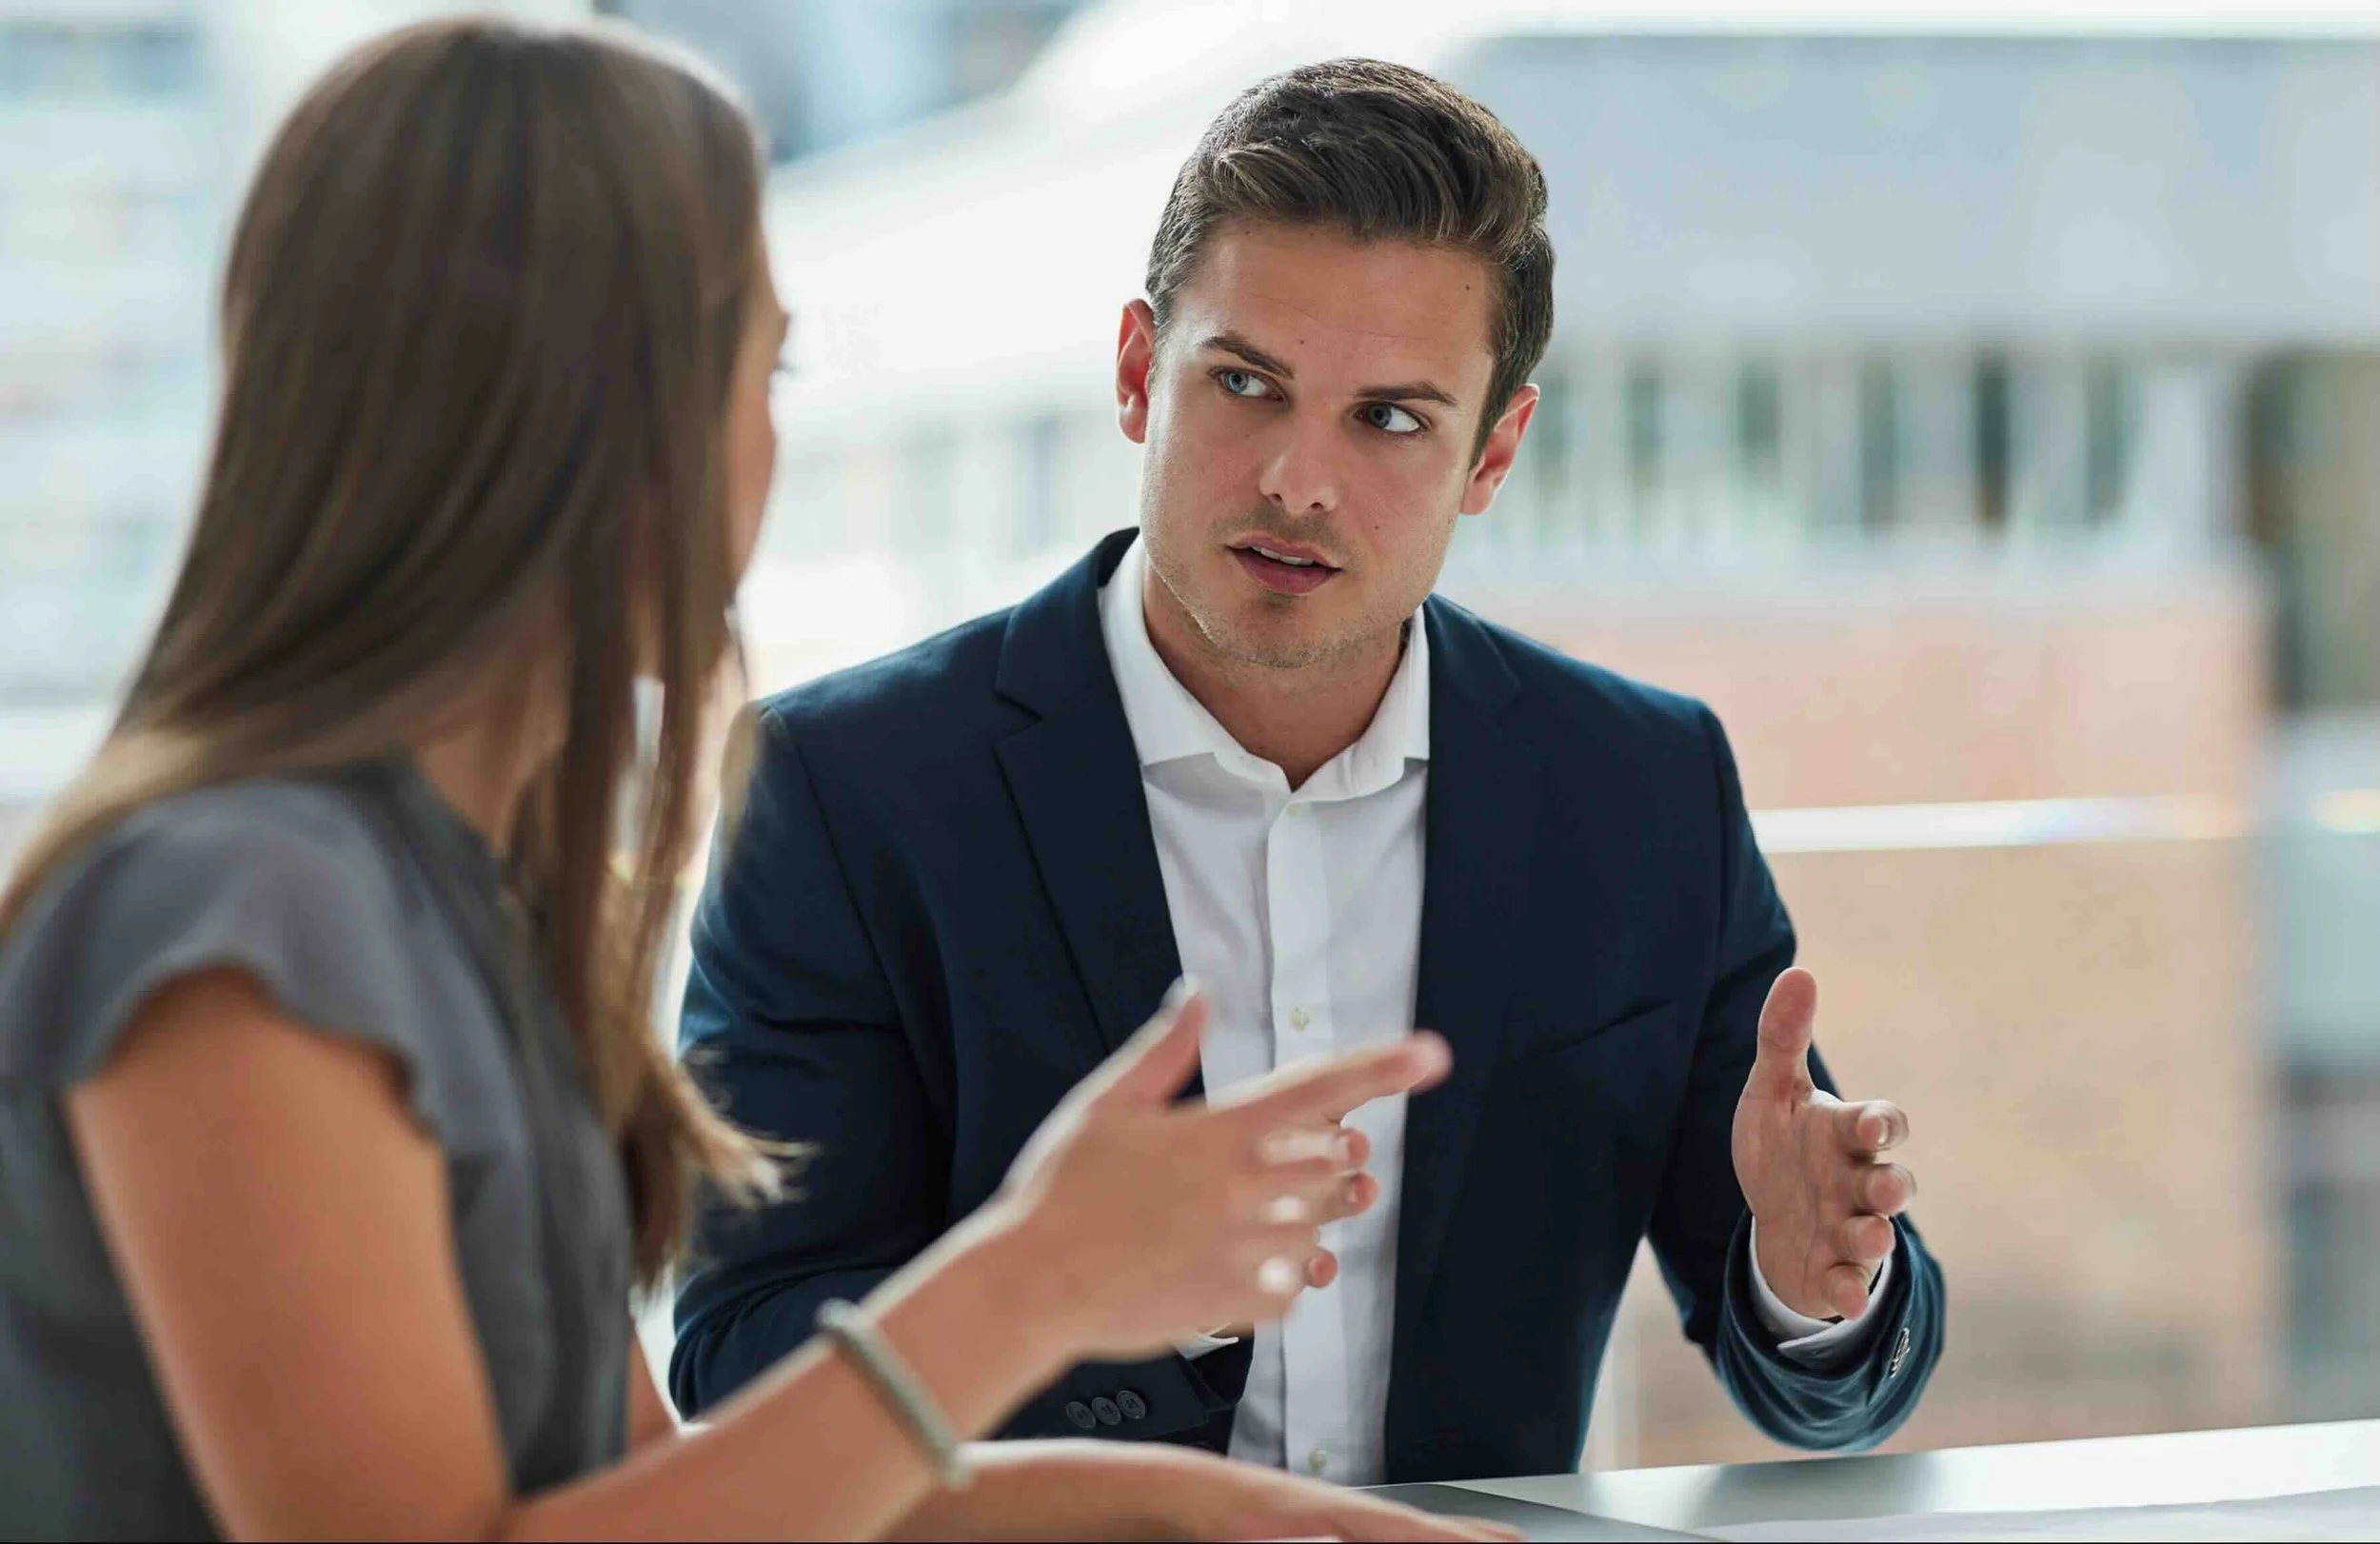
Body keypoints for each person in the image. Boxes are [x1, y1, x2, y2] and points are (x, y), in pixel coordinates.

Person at [0, 20, 1517, 1542]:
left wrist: (1189, 1513)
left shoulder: (443, 897)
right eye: (762, 362)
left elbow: (655, 1506)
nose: (771, 444)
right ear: (579, 412)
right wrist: (1034, 1279)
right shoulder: (236, 912)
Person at [672, 58, 1948, 1485]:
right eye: (1246, 385)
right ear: (1140, 373)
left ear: (1495, 452)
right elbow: (735, 1359)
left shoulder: (1642, 792)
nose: (1298, 479)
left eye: (1390, 419)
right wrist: (1091, 1288)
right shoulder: (838, 792)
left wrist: (1811, 1280)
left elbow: (1813, 1385)